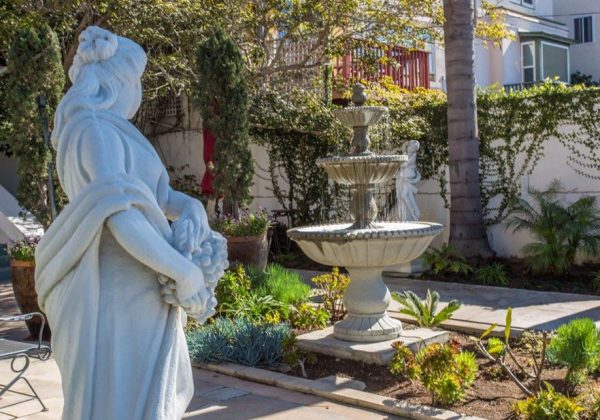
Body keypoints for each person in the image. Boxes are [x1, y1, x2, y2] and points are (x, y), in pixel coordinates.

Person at [35, 26, 226, 420]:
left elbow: (160, 198)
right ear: (118, 82)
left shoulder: (119, 133)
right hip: (117, 284)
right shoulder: (92, 130)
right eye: (136, 81)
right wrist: (184, 271)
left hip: (145, 280)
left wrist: (190, 208)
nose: (137, 93)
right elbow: (119, 212)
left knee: (146, 393)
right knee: (120, 395)